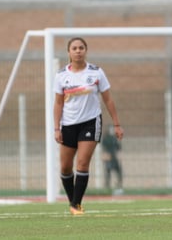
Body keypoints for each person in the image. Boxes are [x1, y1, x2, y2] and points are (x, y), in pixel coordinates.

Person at [53, 37, 124, 215]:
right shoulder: (61, 75)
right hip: (68, 124)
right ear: (68, 52)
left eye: (81, 48)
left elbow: (108, 99)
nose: (78, 51)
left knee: (82, 163)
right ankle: (73, 202)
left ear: (86, 50)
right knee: (65, 167)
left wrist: (116, 124)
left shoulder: (96, 72)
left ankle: (76, 205)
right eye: (74, 48)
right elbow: (58, 103)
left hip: (90, 123)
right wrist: (56, 128)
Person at [101, 125, 123, 194]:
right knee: (108, 172)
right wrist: (105, 155)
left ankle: (119, 186)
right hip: (108, 158)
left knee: (119, 172)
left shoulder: (114, 138)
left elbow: (118, 147)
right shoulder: (106, 138)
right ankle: (107, 187)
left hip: (114, 158)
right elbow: (104, 148)